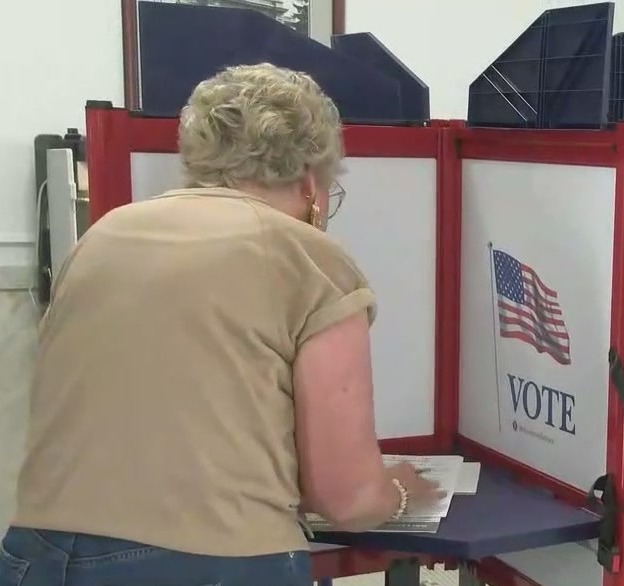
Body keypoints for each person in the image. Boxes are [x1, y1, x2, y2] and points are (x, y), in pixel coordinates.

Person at [0, 63, 439, 586]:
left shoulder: (103, 236)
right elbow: (345, 497)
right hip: (208, 565)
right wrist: (401, 490)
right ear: (310, 184)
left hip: (38, 555)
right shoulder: (307, 255)